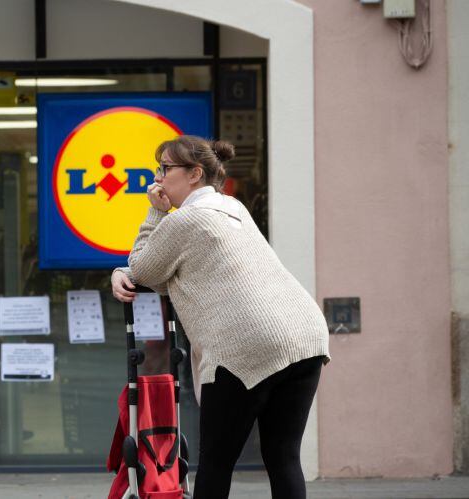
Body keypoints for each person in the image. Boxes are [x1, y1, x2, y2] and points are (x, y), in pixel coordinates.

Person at [110, 136, 329, 499]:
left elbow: (146, 268)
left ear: (195, 173)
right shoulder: (232, 208)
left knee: (216, 461)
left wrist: (155, 214)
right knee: (283, 455)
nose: (158, 178)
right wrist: (130, 269)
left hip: (247, 344)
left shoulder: (187, 221)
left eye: (165, 168)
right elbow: (177, 277)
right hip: (304, 334)